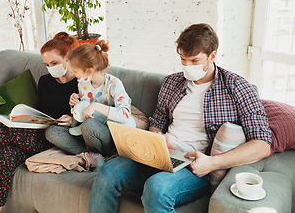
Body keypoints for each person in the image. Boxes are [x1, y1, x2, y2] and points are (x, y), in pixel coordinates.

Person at [88, 23, 273, 213]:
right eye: (183, 59)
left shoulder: (237, 87)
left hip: (195, 167)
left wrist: (212, 163)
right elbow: (157, 123)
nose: (187, 66)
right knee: (106, 173)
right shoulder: (172, 83)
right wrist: (158, 138)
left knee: (157, 188)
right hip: (161, 155)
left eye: (194, 60)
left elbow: (263, 144)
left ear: (212, 56)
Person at [0, 32, 79, 213]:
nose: (50, 68)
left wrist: (72, 119)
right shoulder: (45, 81)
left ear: (68, 58)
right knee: (5, 156)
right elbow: (40, 110)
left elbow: (87, 116)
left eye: (54, 63)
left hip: (58, 139)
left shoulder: (80, 84)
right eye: (47, 65)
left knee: (5, 129)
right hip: (38, 133)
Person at [45, 40, 136, 160]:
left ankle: (95, 154)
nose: (72, 74)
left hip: (109, 135)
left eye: (75, 71)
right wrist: (74, 106)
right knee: (51, 131)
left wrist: (96, 106)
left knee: (89, 125)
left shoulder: (114, 84)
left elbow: (125, 114)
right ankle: (91, 155)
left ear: (89, 70)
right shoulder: (83, 83)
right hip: (87, 134)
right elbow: (83, 114)